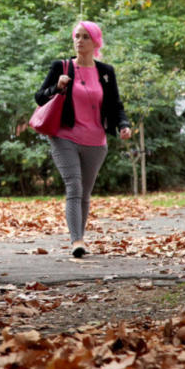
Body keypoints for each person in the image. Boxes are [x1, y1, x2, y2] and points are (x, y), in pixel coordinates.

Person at [35, 21, 132, 258]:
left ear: (95, 42)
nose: (79, 41)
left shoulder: (106, 72)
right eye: (76, 36)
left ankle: (80, 237)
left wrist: (123, 125)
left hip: (96, 141)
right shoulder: (62, 66)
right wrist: (56, 88)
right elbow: (39, 97)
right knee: (74, 187)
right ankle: (76, 241)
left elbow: (115, 104)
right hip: (64, 136)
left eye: (85, 37)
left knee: (85, 193)